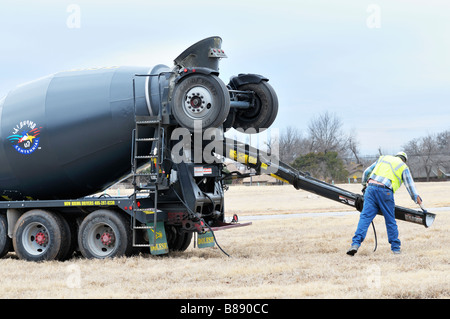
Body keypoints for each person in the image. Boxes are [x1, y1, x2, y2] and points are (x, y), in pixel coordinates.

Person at [347, 151, 422, 255]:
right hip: (385, 191)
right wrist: (417, 199)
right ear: (404, 160)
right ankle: (395, 248)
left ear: (396, 156)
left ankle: (355, 244)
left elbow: (366, 172)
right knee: (390, 219)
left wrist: (364, 187)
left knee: (365, 217)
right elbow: (410, 185)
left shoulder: (383, 158)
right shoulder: (403, 166)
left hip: (370, 189)